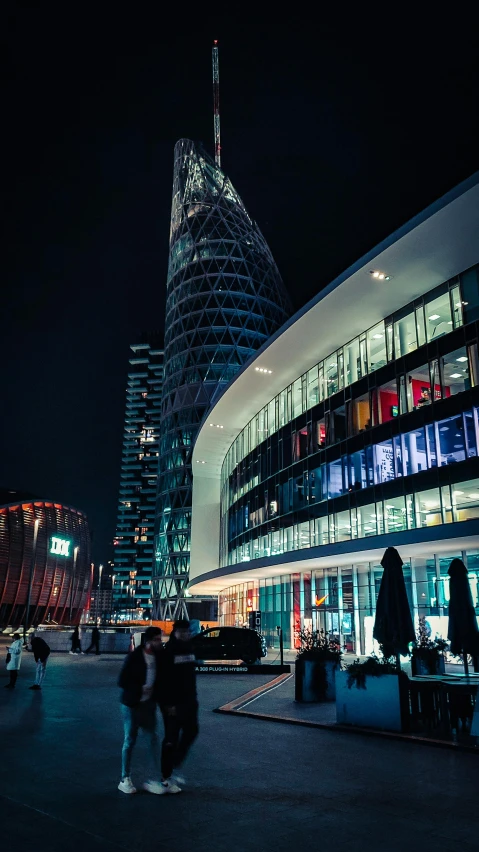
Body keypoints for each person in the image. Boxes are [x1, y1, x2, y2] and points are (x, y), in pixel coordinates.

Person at [117, 626, 175, 796]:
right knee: (130, 740)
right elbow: (122, 680)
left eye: (161, 639)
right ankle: (124, 778)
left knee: (152, 739)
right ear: (149, 641)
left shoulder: (159, 657)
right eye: (157, 639)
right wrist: (139, 688)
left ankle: (157, 778)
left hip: (148, 705)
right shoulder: (134, 657)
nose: (160, 642)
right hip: (131, 704)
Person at [156, 619, 199, 790]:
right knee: (171, 738)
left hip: (189, 701)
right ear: (175, 633)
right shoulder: (169, 652)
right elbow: (163, 681)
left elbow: (190, 678)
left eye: (187, 632)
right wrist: (167, 704)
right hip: (172, 704)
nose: (186, 634)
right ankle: (165, 776)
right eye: (182, 632)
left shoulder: (190, 649)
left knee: (192, 731)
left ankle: (174, 764)